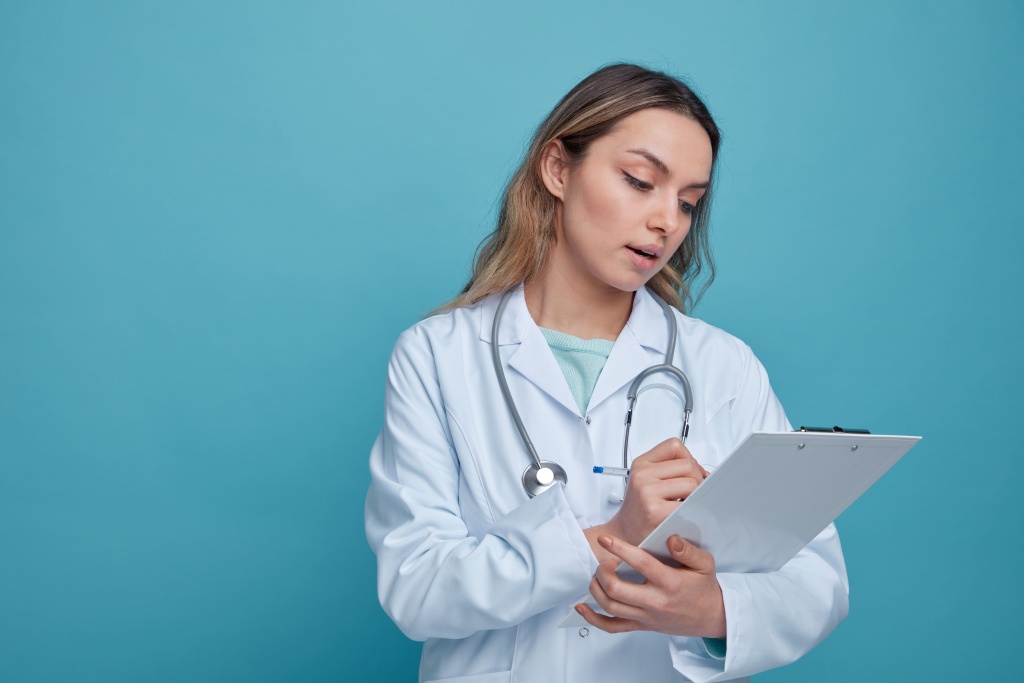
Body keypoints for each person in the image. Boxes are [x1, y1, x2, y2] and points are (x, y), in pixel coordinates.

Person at [364, 63, 849, 683]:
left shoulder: (723, 366)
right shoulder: (437, 355)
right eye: (640, 181)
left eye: (688, 203)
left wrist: (714, 610)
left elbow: (818, 578)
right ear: (558, 169)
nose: (666, 221)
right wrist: (608, 535)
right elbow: (417, 589)